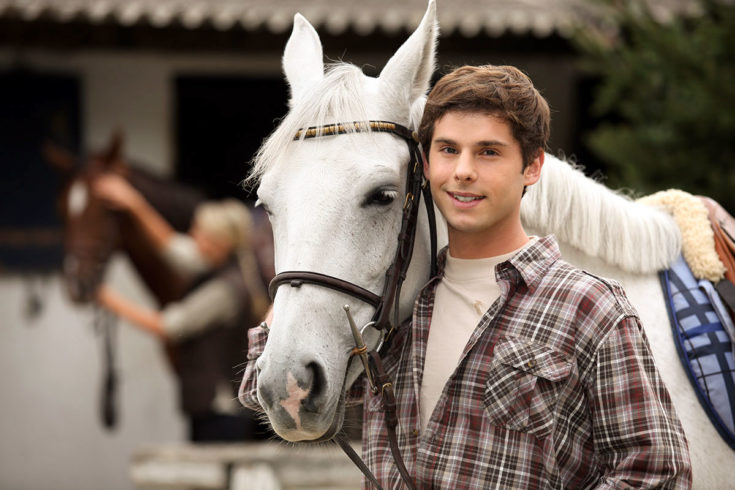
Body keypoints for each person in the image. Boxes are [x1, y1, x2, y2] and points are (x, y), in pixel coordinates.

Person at [242, 64, 692, 487]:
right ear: (425, 162)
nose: (463, 171)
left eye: (489, 152)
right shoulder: (402, 312)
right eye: (448, 150)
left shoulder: (591, 306)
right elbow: (272, 384)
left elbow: (656, 471)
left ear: (532, 166)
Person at [93, 174, 271, 442]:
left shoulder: (226, 290)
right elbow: (174, 248)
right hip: (212, 409)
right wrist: (133, 203)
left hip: (222, 413)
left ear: (219, 244)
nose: (192, 238)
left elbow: (168, 326)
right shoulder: (223, 265)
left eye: (199, 234)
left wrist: (107, 298)